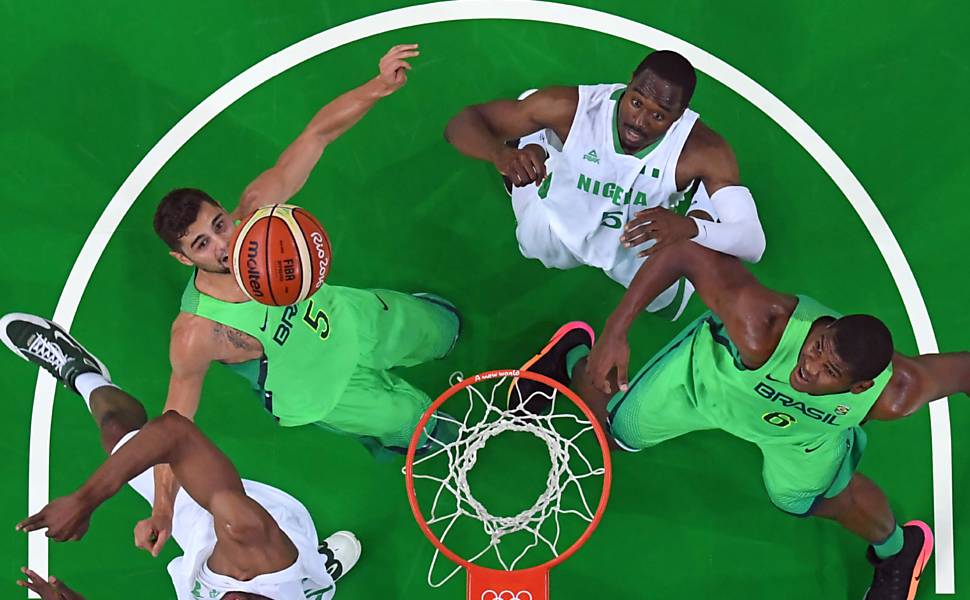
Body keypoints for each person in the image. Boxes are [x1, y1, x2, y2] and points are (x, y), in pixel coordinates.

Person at [513, 237, 961, 599]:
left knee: (811, 499)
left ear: (859, 388)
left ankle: (899, 552)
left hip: (804, 434)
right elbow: (683, 253)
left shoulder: (896, 394)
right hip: (707, 384)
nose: (808, 366)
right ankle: (575, 356)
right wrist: (616, 332)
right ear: (821, 328)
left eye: (829, 372)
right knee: (615, 434)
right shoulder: (761, 323)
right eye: (816, 346)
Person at [151, 44, 461, 552]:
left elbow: (316, 135)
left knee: (443, 329)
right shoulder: (197, 331)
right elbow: (174, 423)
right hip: (322, 391)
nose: (224, 244)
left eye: (219, 224)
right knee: (422, 426)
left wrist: (378, 84)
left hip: (354, 318)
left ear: (226, 212)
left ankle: (434, 333)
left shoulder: (260, 214)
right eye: (202, 244)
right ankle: (417, 434)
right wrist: (163, 505)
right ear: (184, 259)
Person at [1, 312, 361, 599]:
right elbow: (175, 432)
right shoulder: (250, 538)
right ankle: (80, 373)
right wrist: (84, 500)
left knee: (116, 432)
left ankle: (84, 377)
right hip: (246, 533)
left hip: (202, 548)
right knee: (123, 437)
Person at [445, 49, 765, 321]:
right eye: (636, 103)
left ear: (680, 115)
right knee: (531, 244)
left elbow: (753, 242)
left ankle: (702, 203)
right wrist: (499, 154)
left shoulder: (704, 151)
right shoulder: (571, 107)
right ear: (629, 84)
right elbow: (461, 123)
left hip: (641, 238)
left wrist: (689, 228)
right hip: (563, 217)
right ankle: (537, 145)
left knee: (669, 304)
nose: (639, 123)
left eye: (658, 115)